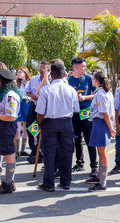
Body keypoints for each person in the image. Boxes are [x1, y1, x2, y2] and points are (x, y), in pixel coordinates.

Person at [36, 61, 79, 192]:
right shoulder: (71, 90)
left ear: (52, 75)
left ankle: (49, 183)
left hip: (50, 122)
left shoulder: (45, 90)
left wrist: (41, 124)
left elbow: (40, 112)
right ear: (63, 74)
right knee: (67, 152)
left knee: (49, 153)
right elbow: (76, 109)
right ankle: (66, 181)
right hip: (66, 122)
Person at [68, 57, 98, 176]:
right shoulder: (68, 80)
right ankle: (80, 163)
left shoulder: (89, 79)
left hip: (86, 112)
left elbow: (97, 93)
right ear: (76, 67)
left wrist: (85, 98)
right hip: (74, 113)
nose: (86, 68)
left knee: (89, 139)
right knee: (77, 139)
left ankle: (94, 166)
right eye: (83, 66)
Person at [86, 71, 116, 191]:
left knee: (102, 153)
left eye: (93, 78)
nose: (92, 80)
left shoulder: (101, 94)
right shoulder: (104, 92)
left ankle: (102, 182)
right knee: (101, 152)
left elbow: (105, 113)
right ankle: (99, 176)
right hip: (100, 123)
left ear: (96, 80)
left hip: (101, 123)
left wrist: (110, 128)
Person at [26, 60, 51, 164]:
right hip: (34, 105)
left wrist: (46, 78)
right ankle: (34, 150)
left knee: (43, 129)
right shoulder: (34, 79)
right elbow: (28, 91)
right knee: (31, 128)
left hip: (45, 108)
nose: (42, 70)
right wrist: (32, 95)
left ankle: (41, 150)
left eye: (45, 68)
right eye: (41, 67)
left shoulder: (51, 80)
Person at [15, 66, 31, 157]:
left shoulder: (29, 82)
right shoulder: (16, 83)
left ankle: (23, 150)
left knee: (25, 128)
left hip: (27, 104)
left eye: (20, 72)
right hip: (19, 104)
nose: (19, 73)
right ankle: (16, 150)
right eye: (18, 72)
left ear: (25, 73)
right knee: (17, 128)